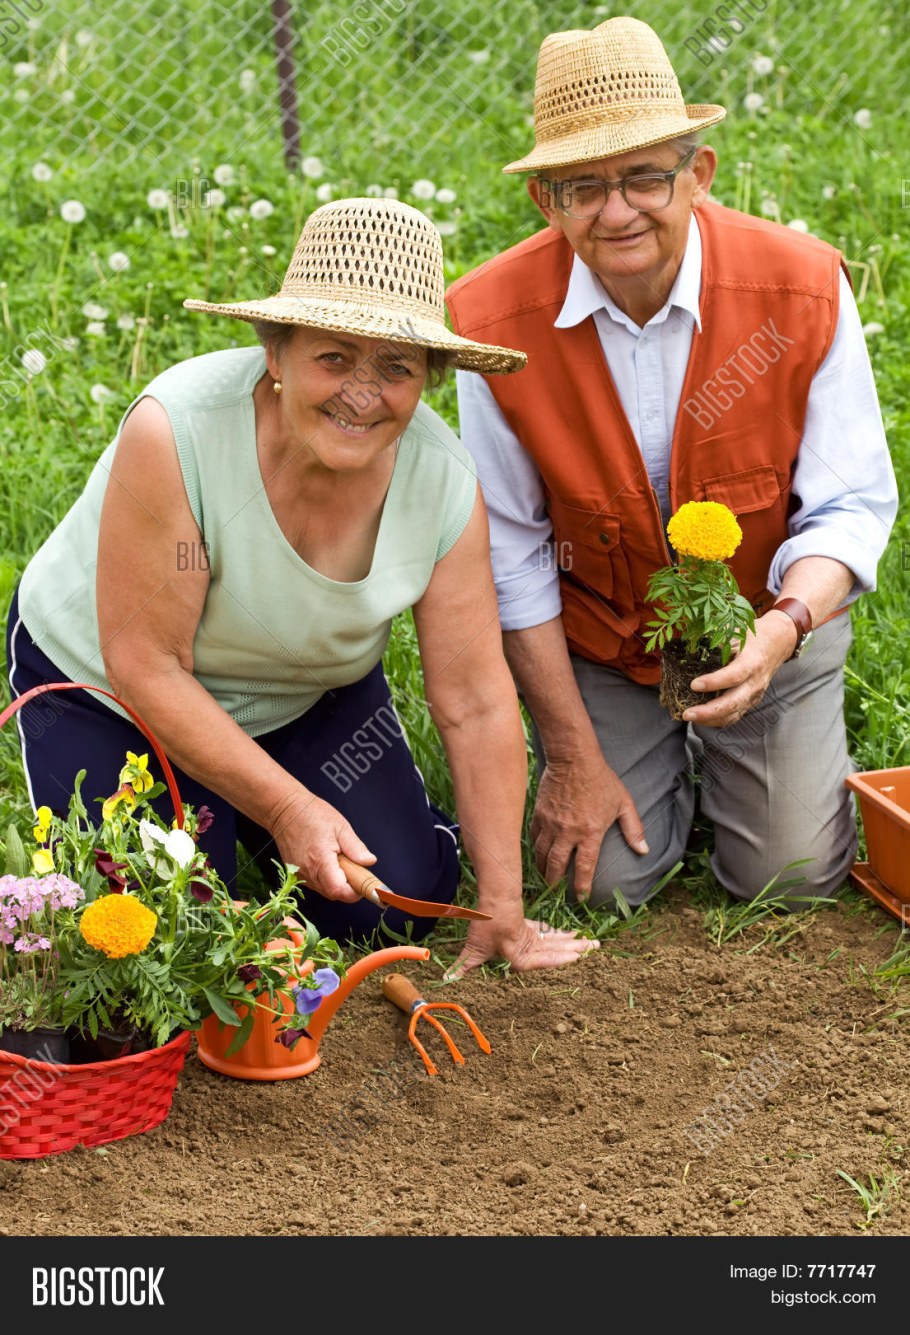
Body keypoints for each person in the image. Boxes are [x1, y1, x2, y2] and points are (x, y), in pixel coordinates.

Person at [7, 196, 597, 976]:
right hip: (114, 693)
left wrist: (503, 906)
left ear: (429, 380)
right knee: (167, 932)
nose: (362, 390)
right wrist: (288, 806)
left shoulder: (443, 483)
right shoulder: (177, 431)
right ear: (275, 354)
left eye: (397, 366)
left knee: (390, 900)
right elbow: (146, 665)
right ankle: (242, 822)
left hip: (304, 693)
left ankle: (272, 814)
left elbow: (477, 698)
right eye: (334, 356)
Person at [446, 18, 898, 910]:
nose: (617, 211)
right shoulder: (489, 325)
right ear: (546, 201)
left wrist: (782, 632)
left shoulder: (801, 288)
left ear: (698, 175)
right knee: (600, 887)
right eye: (583, 186)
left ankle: (751, 755)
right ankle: (650, 758)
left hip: (773, 626)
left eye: (646, 176)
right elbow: (512, 557)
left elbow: (846, 505)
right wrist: (571, 756)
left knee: (789, 877)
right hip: (608, 646)